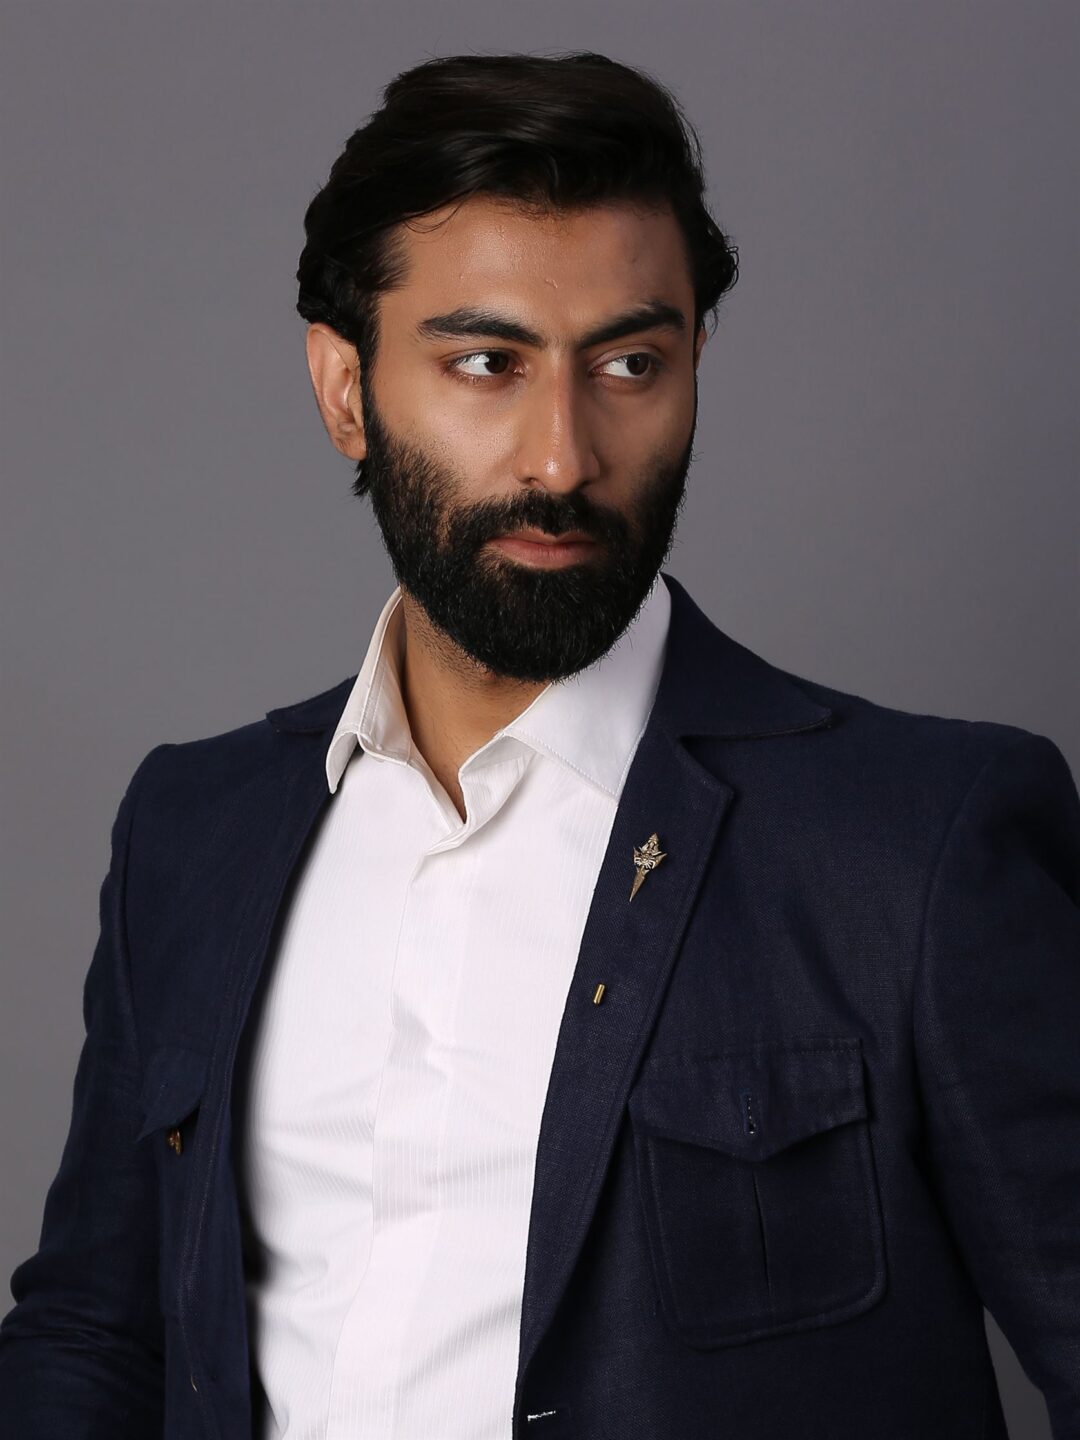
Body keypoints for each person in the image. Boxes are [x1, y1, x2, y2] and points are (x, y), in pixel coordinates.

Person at [1, 49, 1077, 1440]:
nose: (563, 458)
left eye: (630, 363)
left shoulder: (919, 847)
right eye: (486, 364)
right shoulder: (192, 830)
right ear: (344, 390)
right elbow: (93, 1332)